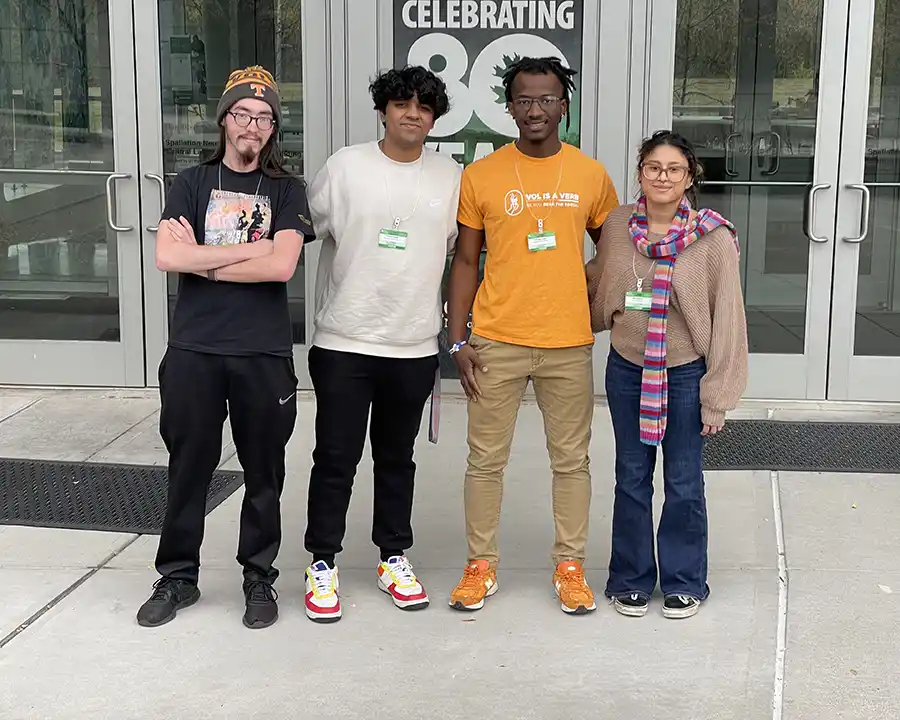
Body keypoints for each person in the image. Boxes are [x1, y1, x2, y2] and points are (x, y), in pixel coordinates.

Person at [136, 65, 315, 630]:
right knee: (189, 466)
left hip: (262, 354)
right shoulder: (190, 182)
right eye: (243, 114)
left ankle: (258, 577)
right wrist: (246, 255)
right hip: (194, 350)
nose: (253, 126)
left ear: (273, 129)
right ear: (225, 120)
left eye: (264, 118)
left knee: (265, 471)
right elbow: (168, 257)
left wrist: (206, 258)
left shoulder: (288, 190)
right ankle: (178, 577)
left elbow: (282, 265)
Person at [446, 56, 619, 615]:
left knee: (572, 461)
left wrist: (586, 289)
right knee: (484, 461)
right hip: (496, 338)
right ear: (509, 106)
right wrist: (458, 339)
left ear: (564, 105)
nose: (536, 110)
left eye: (547, 99)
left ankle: (570, 566)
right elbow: (466, 260)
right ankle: (480, 566)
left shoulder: (590, 174)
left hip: (568, 342)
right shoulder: (483, 175)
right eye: (524, 100)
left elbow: (614, 250)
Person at [301, 66, 461, 624]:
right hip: (344, 339)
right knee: (336, 458)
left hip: (413, 345)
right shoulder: (345, 166)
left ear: (435, 117)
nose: (412, 113)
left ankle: (394, 555)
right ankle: (322, 561)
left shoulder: (450, 177)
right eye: (401, 103)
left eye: (423, 106)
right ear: (384, 110)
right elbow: (302, 229)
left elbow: (459, 253)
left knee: (398, 459)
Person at [585, 129, 748, 619]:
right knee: (631, 476)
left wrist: (717, 394)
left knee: (682, 478)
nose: (663, 177)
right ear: (640, 173)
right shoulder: (617, 225)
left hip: (683, 375)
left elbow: (729, 320)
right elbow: (598, 277)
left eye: (674, 169)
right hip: (626, 369)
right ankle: (630, 579)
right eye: (653, 167)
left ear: (689, 177)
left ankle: (684, 580)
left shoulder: (712, 237)